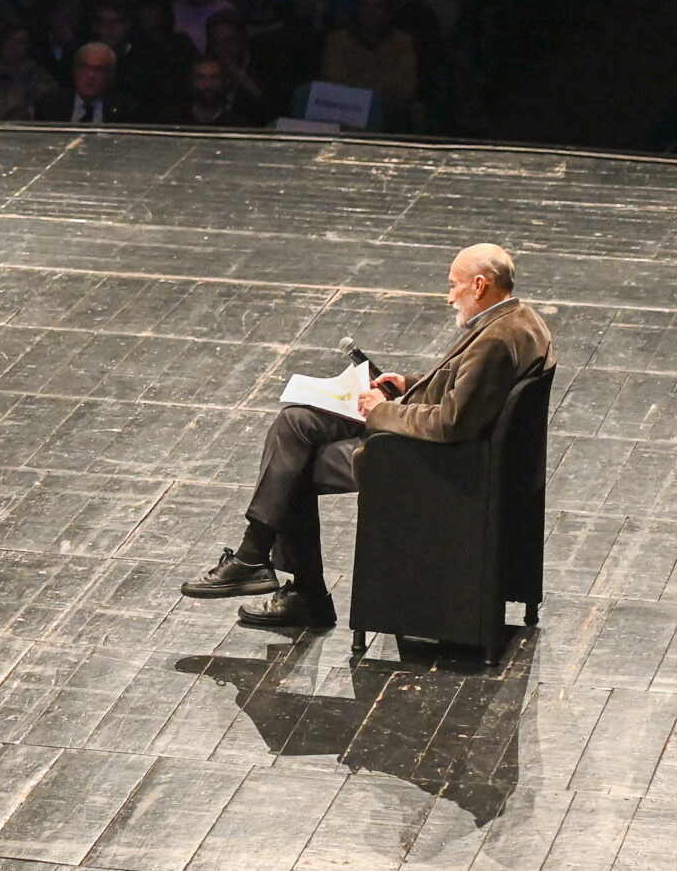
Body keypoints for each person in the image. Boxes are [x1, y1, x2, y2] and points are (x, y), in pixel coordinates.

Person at [182, 245, 551, 630]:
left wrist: (381, 411)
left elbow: (453, 423)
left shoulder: (494, 340)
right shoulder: (519, 321)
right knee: (295, 423)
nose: (448, 296)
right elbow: (469, 390)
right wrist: (408, 384)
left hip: (428, 458)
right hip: (435, 435)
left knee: (292, 466)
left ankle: (276, 573)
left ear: (479, 285)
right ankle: (259, 561)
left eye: (453, 286)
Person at [39, 43, 138, 125]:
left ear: (110, 75)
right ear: (75, 70)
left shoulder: (124, 110)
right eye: (84, 67)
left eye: (99, 70)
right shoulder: (51, 105)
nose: (91, 76)